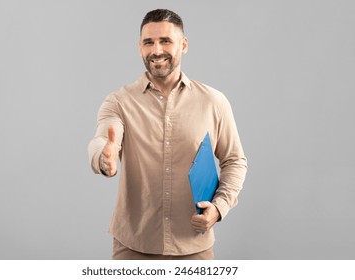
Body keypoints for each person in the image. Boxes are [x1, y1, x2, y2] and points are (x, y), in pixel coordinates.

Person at [88, 9, 247, 260]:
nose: (156, 50)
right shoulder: (119, 101)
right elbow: (102, 139)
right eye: (148, 42)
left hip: (193, 247)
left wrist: (219, 208)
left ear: (183, 45)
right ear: (139, 47)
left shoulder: (214, 102)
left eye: (166, 41)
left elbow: (234, 161)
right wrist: (102, 157)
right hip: (133, 246)